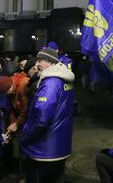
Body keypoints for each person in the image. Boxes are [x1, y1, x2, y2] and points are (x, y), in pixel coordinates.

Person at [21, 48, 75, 183]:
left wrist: (25, 136)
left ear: (50, 62)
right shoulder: (65, 79)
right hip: (59, 144)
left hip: (44, 149)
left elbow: (41, 119)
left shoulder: (50, 84)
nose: (36, 64)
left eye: (40, 60)